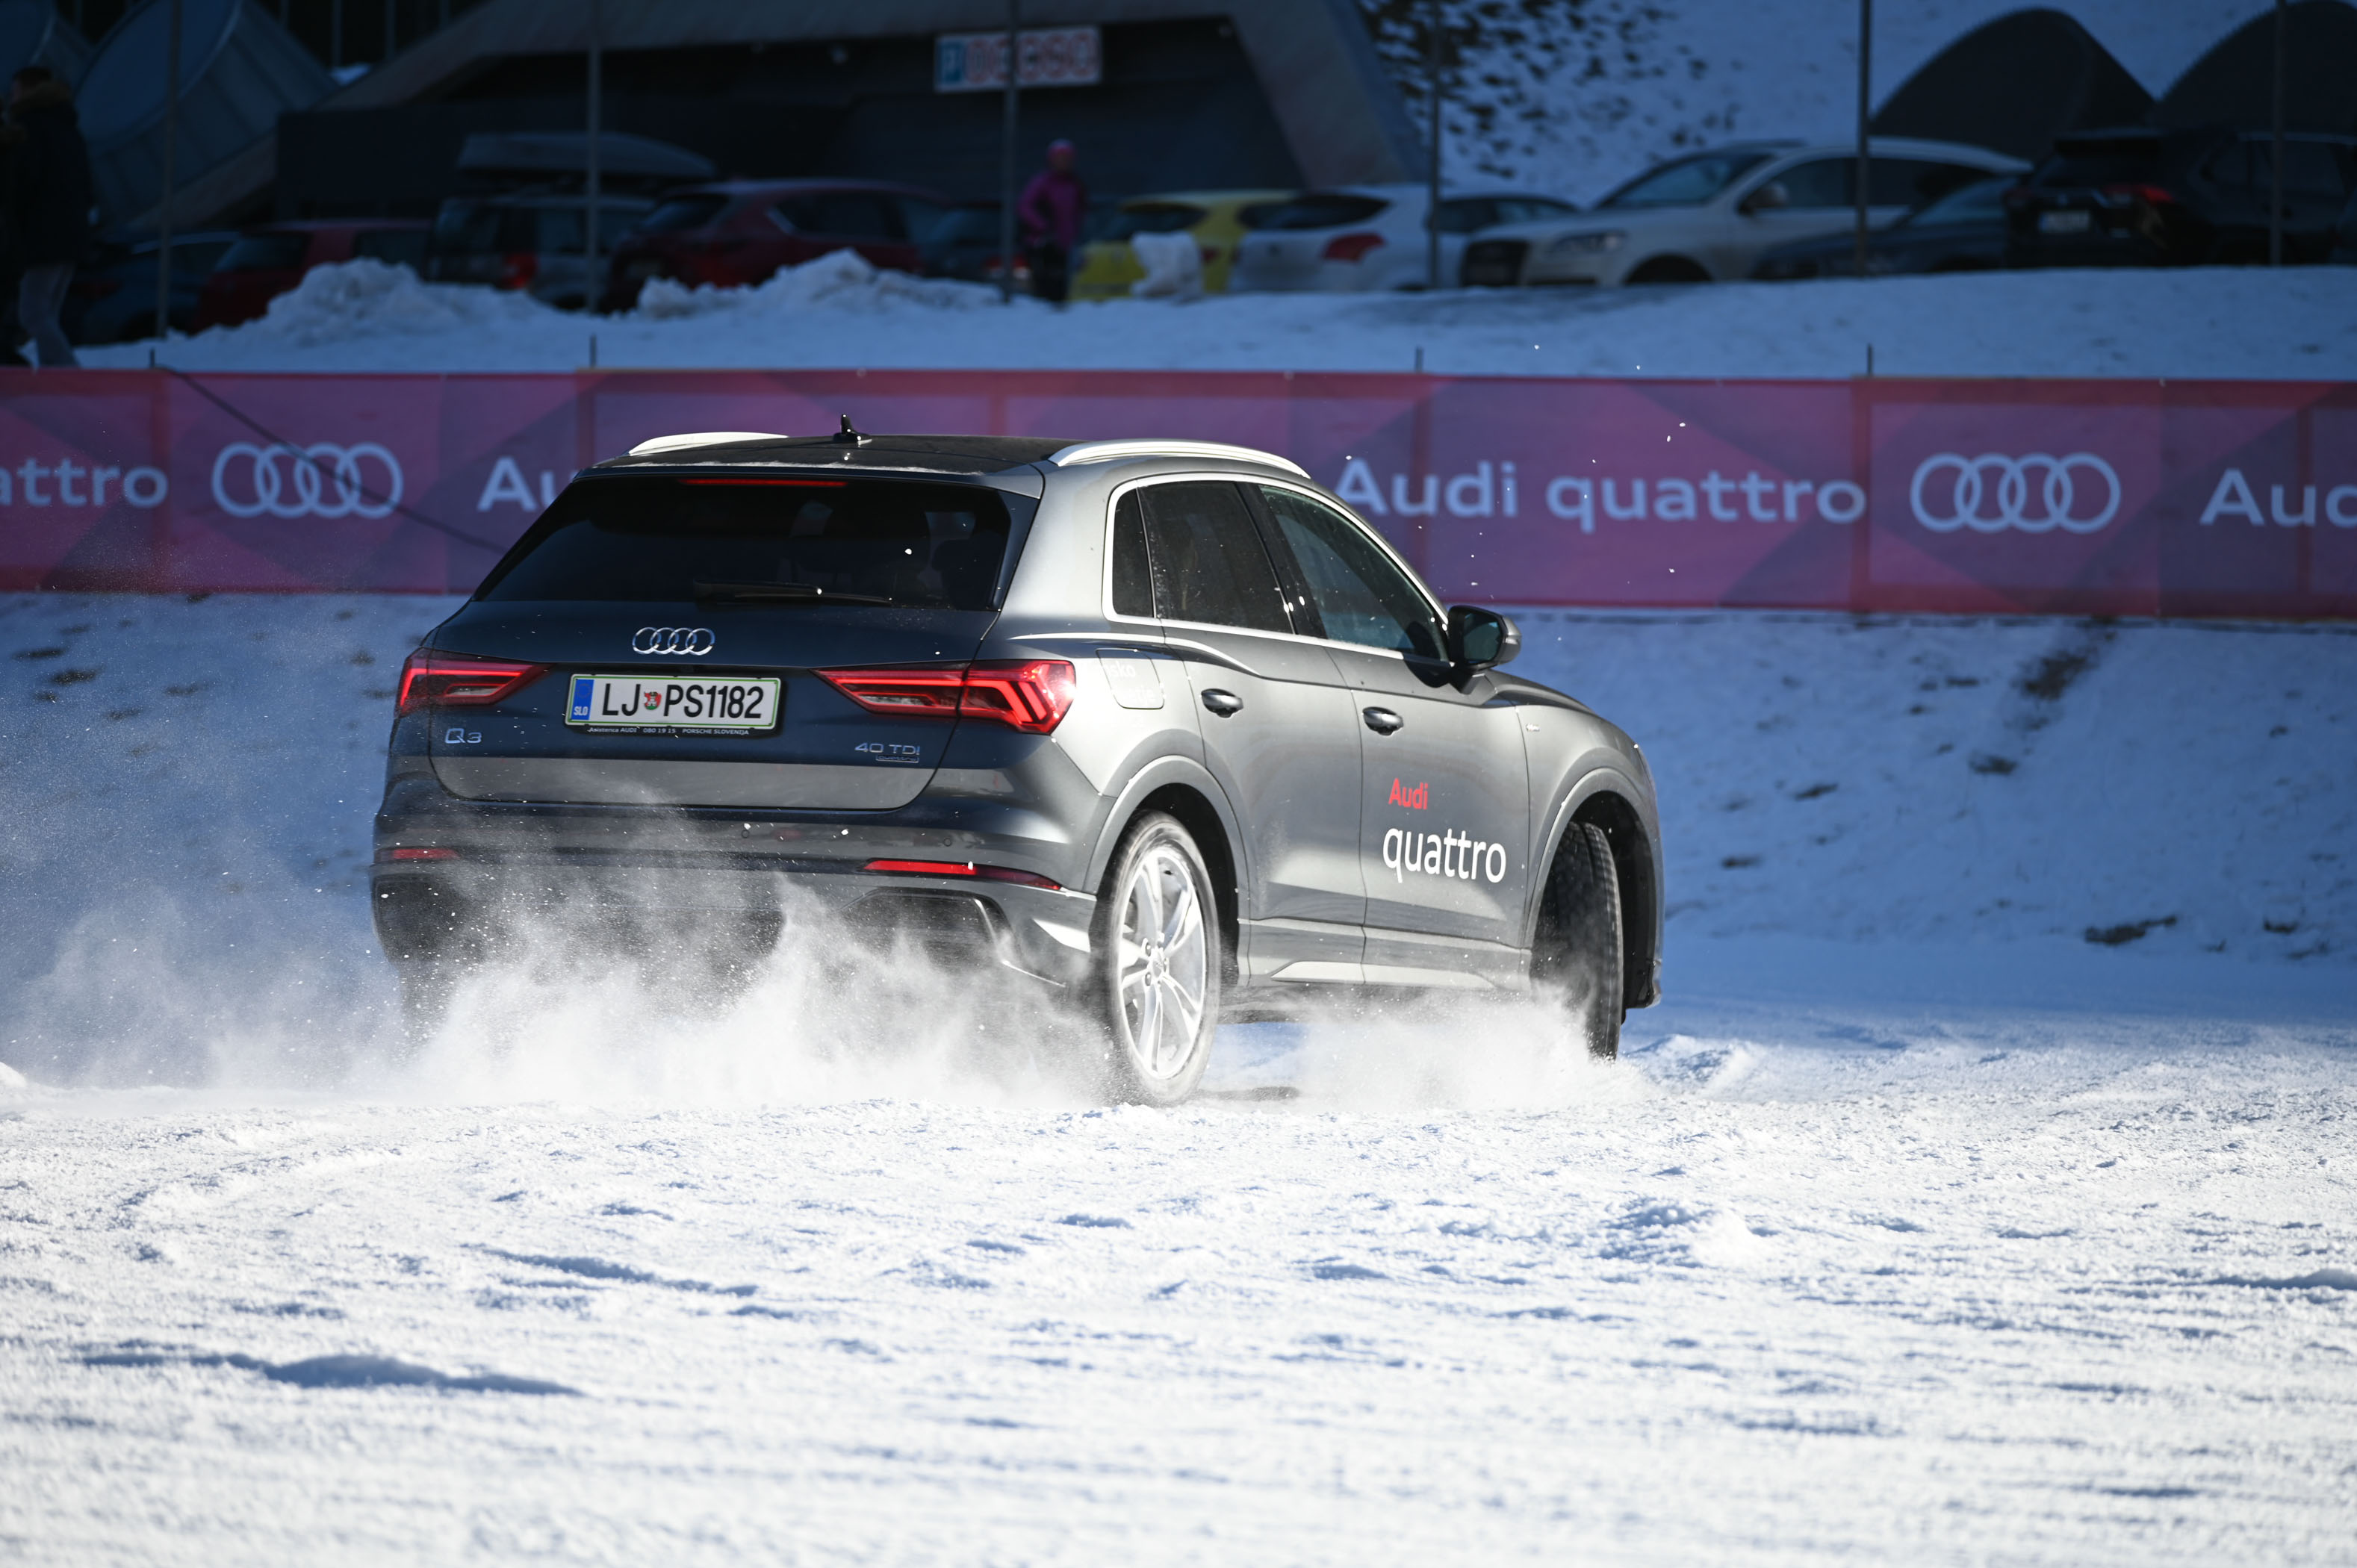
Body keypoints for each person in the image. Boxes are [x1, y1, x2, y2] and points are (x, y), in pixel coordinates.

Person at [5, 65, 90, 367]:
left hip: (43, 237)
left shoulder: (29, 129)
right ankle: (55, 374)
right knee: (47, 312)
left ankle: (67, 372)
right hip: (71, 235)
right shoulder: (67, 128)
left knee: (33, 313)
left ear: (29, 91)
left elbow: (23, 185)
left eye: (15, 91)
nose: (11, 98)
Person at [1016, 138, 1087, 305]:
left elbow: (1080, 211)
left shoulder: (1074, 184)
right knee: (1046, 287)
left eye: (1066, 159)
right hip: (1044, 243)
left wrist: (1077, 234)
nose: (1063, 163)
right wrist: (1043, 226)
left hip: (1066, 245)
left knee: (1063, 287)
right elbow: (1025, 206)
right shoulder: (1042, 183)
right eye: (1059, 159)